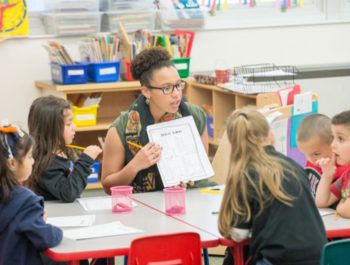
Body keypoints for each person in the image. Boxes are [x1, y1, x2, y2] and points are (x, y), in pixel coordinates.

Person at [218, 109, 327, 265]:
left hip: (278, 259)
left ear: (232, 144)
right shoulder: (294, 167)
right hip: (318, 257)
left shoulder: (245, 173)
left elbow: (239, 234)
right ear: (272, 136)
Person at [101, 47, 216, 194]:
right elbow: (107, 187)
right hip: (145, 204)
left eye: (178, 85)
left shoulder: (194, 115)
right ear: (146, 92)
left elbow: (202, 169)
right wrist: (135, 165)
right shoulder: (120, 129)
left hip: (191, 196)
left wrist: (191, 176)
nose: (176, 94)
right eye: (166, 88)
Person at [0, 123, 62, 265]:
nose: (33, 161)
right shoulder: (26, 201)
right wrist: (50, 227)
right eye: (29, 157)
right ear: (12, 164)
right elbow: (46, 238)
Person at [26, 95, 102, 202]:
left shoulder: (64, 151)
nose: (74, 127)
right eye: (68, 124)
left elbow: (75, 184)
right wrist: (85, 161)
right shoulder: (45, 163)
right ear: (51, 130)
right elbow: (68, 193)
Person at [297, 113, 349, 198]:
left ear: (333, 145)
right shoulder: (312, 163)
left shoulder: (345, 169)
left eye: (316, 154)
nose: (310, 160)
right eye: (305, 154)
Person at [315, 110, 350, 218]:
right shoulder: (347, 174)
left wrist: (340, 206)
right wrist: (327, 175)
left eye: (340, 139)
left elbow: (347, 211)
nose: (333, 145)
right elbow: (321, 202)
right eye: (333, 137)